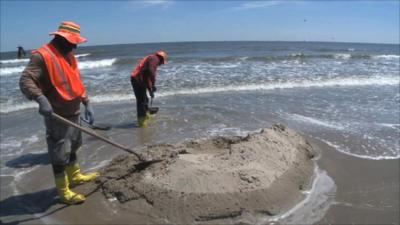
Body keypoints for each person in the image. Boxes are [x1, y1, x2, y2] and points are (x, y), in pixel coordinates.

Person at [19, 21, 99, 205]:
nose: (75, 45)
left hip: (74, 112)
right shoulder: (42, 56)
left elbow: (75, 80)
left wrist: (87, 102)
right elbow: (26, 80)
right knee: (59, 154)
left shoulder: (69, 54)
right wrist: (40, 99)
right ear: (60, 37)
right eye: (72, 41)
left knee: (75, 146)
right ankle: (63, 192)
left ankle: (75, 176)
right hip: (57, 115)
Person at [130, 51, 167, 127]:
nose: (160, 64)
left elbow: (146, 77)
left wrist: (150, 89)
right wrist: (153, 85)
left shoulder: (151, 58)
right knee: (141, 101)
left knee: (145, 99)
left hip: (139, 80)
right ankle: (142, 122)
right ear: (161, 58)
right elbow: (151, 72)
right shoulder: (155, 59)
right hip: (137, 79)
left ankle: (146, 115)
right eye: (162, 62)